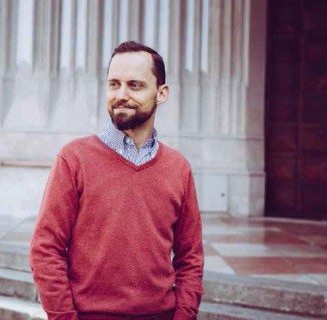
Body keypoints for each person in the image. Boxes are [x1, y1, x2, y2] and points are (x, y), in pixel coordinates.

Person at [30, 41, 204, 319]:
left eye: (135, 85)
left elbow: (190, 258)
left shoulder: (178, 168)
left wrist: (183, 315)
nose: (120, 94)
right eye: (113, 84)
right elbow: (45, 249)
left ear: (161, 93)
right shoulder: (74, 159)